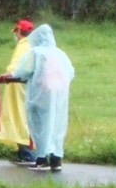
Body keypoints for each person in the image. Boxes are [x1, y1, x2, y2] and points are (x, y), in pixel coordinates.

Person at [8, 23, 75, 172]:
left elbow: (23, 70)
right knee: (57, 125)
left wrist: (12, 75)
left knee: (40, 125)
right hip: (59, 96)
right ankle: (56, 159)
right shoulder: (61, 53)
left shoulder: (36, 52)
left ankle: (42, 159)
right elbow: (70, 72)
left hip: (40, 95)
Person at [0, 19, 37, 164]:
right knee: (24, 116)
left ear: (19, 31)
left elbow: (17, 66)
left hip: (18, 86)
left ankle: (26, 152)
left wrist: (8, 74)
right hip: (27, 86)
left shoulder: (23, 45)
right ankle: (23, 151)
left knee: (19, 115)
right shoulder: (33, 45)